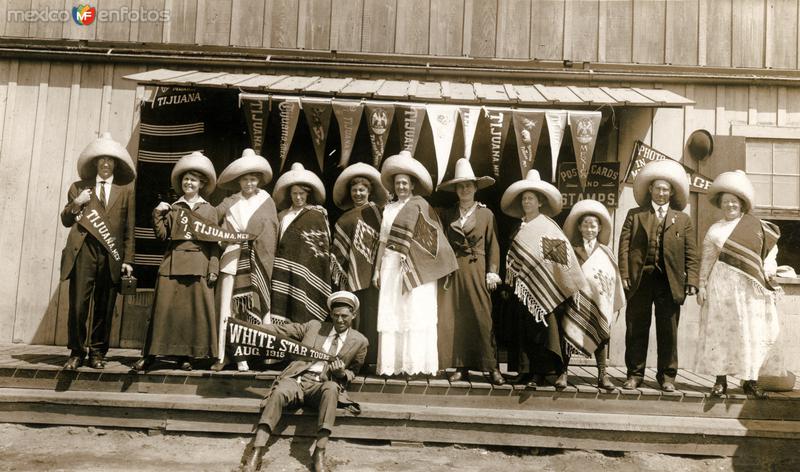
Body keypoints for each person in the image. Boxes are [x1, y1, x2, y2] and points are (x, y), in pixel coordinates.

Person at [241, 291, 368, 472]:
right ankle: (257, 450)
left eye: (344, 316)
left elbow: (353, 372)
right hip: (297, 380)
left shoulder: (360, 341)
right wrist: (248, 327)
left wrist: (341, 373)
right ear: (331, 314)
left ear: (353, 315)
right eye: (336, 315)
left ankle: (319, 452)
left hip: (321, 386)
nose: (340, 320)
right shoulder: (314, 327)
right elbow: (282, 330)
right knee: (278, 392)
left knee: (332, 388)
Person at [695, 170, 782, 399]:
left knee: (750, 332)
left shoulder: (757, 226)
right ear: (721, 205)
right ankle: (720, 381)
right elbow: (707, 259)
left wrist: (769, 269)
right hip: (721, 287)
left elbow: (771, 253)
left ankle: (750, 381)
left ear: (742, 204)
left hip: (749, 288)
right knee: (721, 333)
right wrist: (701, 285)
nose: (730, 205)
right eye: (726, 202)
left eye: (734, 202)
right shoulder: (715, 229)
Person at [373, 151, 457, 378]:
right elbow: (382, 241)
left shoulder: (421, 205)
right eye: (398, 183)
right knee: (394, 311)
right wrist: (377, 269)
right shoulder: (388, 209)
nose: (401, 187)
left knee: (415, 311)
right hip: (391, 263)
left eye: (405, 183)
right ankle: (394, 365)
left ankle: (416, 365)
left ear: (412, 186)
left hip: (416, 266)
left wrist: (415, 257)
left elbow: (432, 238)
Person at [501, 170, 587, 389]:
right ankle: (525, 371)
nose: (527, 202)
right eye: (524, 199)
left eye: (531, 198)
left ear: (540, 202)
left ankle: (543, 372)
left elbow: (560, 258)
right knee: (524, 329)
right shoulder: (517, 227)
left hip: (546, 287)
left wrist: (550, 277)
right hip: (522, 288)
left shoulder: (548, 227)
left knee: (544, 331)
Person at [134, 152, 220, 371]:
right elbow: (162, 236)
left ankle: (187, 356)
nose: (188, 183)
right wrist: (157, 214)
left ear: (201, 184)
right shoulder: (174, 207)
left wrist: (213, 268)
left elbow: (214, 243)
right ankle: (151, 354)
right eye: (186, 179)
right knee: (162, 311)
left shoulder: (209, 210)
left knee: (191, 313)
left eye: (193, 180)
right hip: (173, 263)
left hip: (198, 264)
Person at [619, 159, 699, 392]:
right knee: (636, 327)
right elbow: (623, 248)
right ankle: (634, 374)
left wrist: (691, 280)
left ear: (672, 192)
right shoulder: (635, 215)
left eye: (666, 189)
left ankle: (667, 377)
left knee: (668, 330)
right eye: (658, 188)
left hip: (669, 282)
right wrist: (624, 273)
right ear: (650, 190)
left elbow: (691, 253)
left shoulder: (682, 219)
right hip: (640, 280)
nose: (662, 193)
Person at [60, 132, 136, 370]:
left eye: (110, 160)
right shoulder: (79, 188)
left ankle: (97, 353)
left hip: (110, 255)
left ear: (116, 164)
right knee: (78, 305)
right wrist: (77, 203)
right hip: (84, 252)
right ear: (94, 163)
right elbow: (65, 220)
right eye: (101, 159)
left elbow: (129, 229)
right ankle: (76, 352)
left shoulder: (125, 191)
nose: (105, 164)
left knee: (104, 305)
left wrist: (128, 259)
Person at [436, 158, 505, 385]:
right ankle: (460, 365)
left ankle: (491, 367)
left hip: (478, 269)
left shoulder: (487, 215)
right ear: (456, 190)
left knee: (482, 317)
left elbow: (494, 245)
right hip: (454, 270)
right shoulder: (448, 214)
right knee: (457, 317)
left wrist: (492, 271)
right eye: (460, 186)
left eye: (468, 185)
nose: (464, 189)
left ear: (475, 188)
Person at [213, 149, 279, 372]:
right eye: (244, 179)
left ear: (259, 179)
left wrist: (252, 243)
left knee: (258, 309)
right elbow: (211, 218)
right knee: (228, 310)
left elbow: (271, 231)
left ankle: (257, 357)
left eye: (253, 178)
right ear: (238, 180)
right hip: (232, 261)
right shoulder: (230, 201)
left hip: (258, 263)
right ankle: (228, 355)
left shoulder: (266, 200)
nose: (249, 183)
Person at [562, 199, 626, 389]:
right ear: (580, 228)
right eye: (586, 225)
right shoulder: (572, 250)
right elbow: (566, 274)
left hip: (599, 302)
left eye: (593, 226)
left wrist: (605, 299)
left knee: (601, 331)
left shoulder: (606, 252)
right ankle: (563, 372)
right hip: (577, 300)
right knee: (568, 331)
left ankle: (602, 375)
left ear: (599, 229)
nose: (589, 229)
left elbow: (612, 279)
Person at [331, 163, 389, 370]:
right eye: (354, 190)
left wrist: (381, 269)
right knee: (355, 316)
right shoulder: (344, 218)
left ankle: (372, 359)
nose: (358, 193)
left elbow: (385, 241)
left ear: (369, 191)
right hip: (351, 276)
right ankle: (355, 360)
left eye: (362, 190)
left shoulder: (378, 213)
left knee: (372, 316)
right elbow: (338, 251)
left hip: (375, 273)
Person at [271, 163, 332, 324]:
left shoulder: (316, 215)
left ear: (308, 194)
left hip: (307, 271)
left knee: (302, 314)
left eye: (302, 194)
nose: (298, 197)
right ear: (289, 195)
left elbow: (322, 251)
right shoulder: (282, 216)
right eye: (295, 193)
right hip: (283, 270)